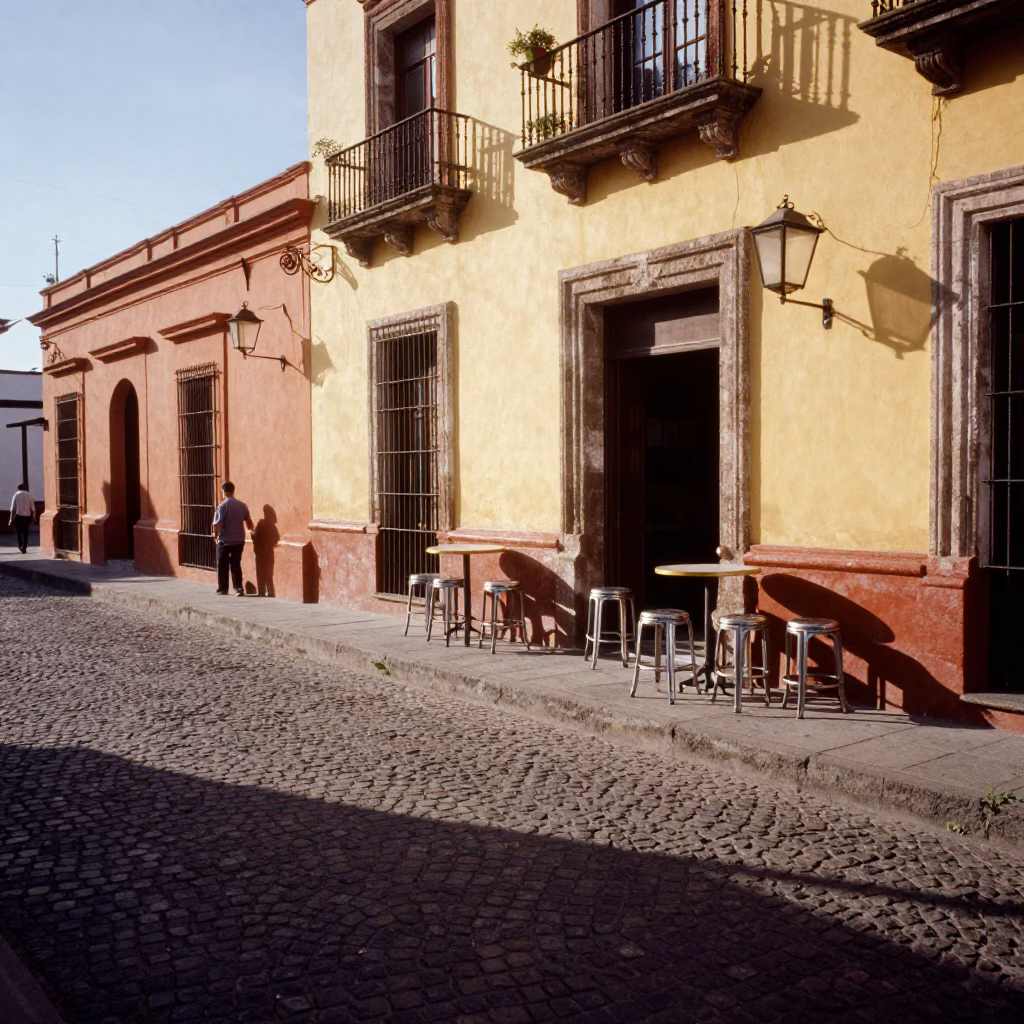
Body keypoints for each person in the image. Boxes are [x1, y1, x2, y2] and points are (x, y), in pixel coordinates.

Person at [212, 481, 254, 596]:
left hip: (225, 539)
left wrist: (215, 536)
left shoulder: (222, 506)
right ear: (233, 490)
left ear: (224, 492)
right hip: (239, 538)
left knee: (222, 563)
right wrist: (252, 531)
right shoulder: (242, 505)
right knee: (236, 563)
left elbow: (216, 524)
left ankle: (223, 588)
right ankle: (239, 588)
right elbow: (248, 520)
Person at [8, 483, 35, 554]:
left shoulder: (16, 495)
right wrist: (34, 516)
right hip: (27, 516)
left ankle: (20, 545)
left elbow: (12, 508)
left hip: (19, 516)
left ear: (18, 488)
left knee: (19, 532)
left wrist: (10, 519)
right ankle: (24, 547)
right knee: (25, 532)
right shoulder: (29, 495)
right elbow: (33, 507)